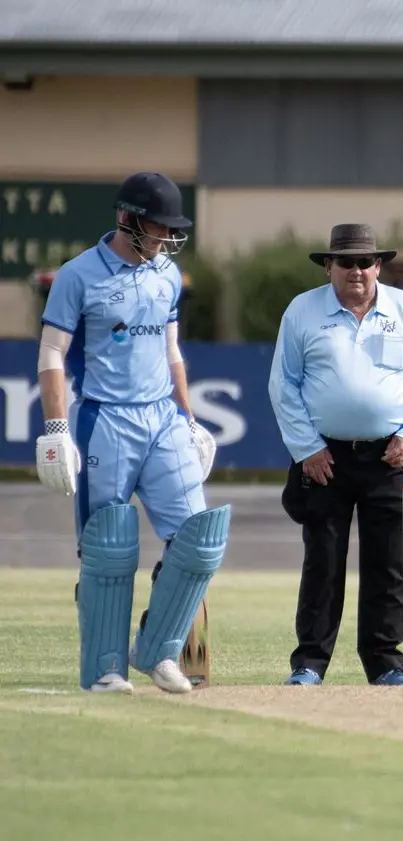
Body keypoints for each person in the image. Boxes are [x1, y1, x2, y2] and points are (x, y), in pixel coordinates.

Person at [34, 171, 226, 696]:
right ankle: (105, 668)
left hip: (162, 417)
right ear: (128, 219)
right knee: (110, 546)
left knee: (200, 537)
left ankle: (158, 650)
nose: (167, 236)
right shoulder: (78, 275)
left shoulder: (168, 274)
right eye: (159, 226)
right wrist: (55, 427)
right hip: (105, 420)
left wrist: (188, 419)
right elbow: (51, 353)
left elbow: (171, 351)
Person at [268, 223, 403, 687]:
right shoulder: (302, 310)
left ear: (378, 266)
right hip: (324, 457)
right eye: (346, 262)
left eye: (366, 262)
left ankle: (385, 662)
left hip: (390, 456)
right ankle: (310, 662)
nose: (357, 271)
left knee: (389, 562)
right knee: (323, 560)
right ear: (328, 265)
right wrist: (307, 447)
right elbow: (283, 385)